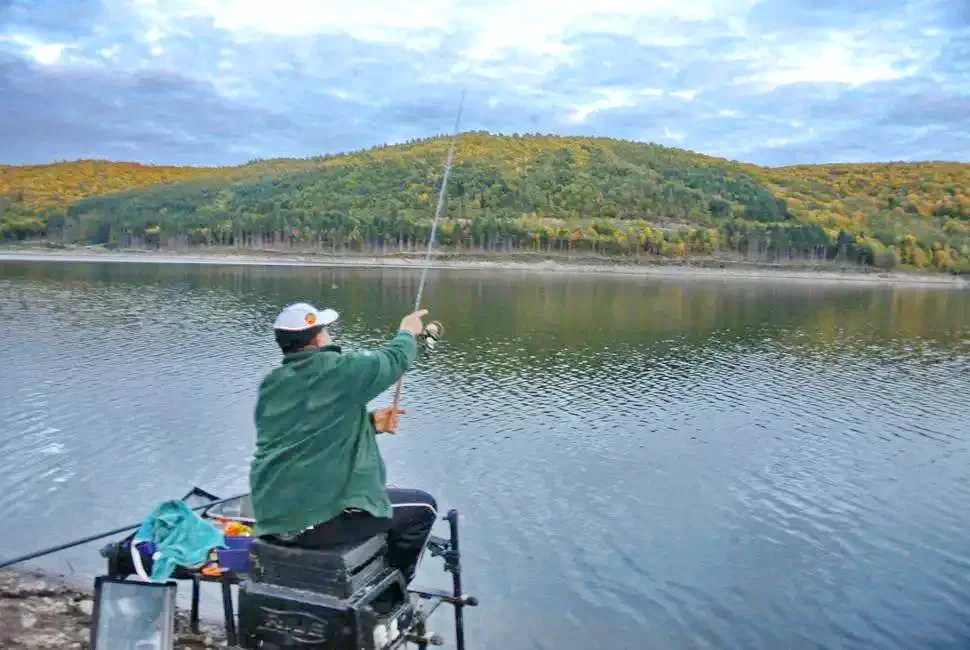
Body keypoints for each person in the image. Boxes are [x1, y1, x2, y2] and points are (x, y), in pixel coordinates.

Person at [249, 301, 437, 584]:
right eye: (325, 330)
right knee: (424, 508)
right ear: (317, 339)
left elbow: (304, 436)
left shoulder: (273, 383)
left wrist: (369, 424)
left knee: (388, 498)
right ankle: (393, 590)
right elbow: (396, 359)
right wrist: (407, 332)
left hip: (269, 517)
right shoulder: (340, 371)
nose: (329, 335)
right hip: (315, 525)